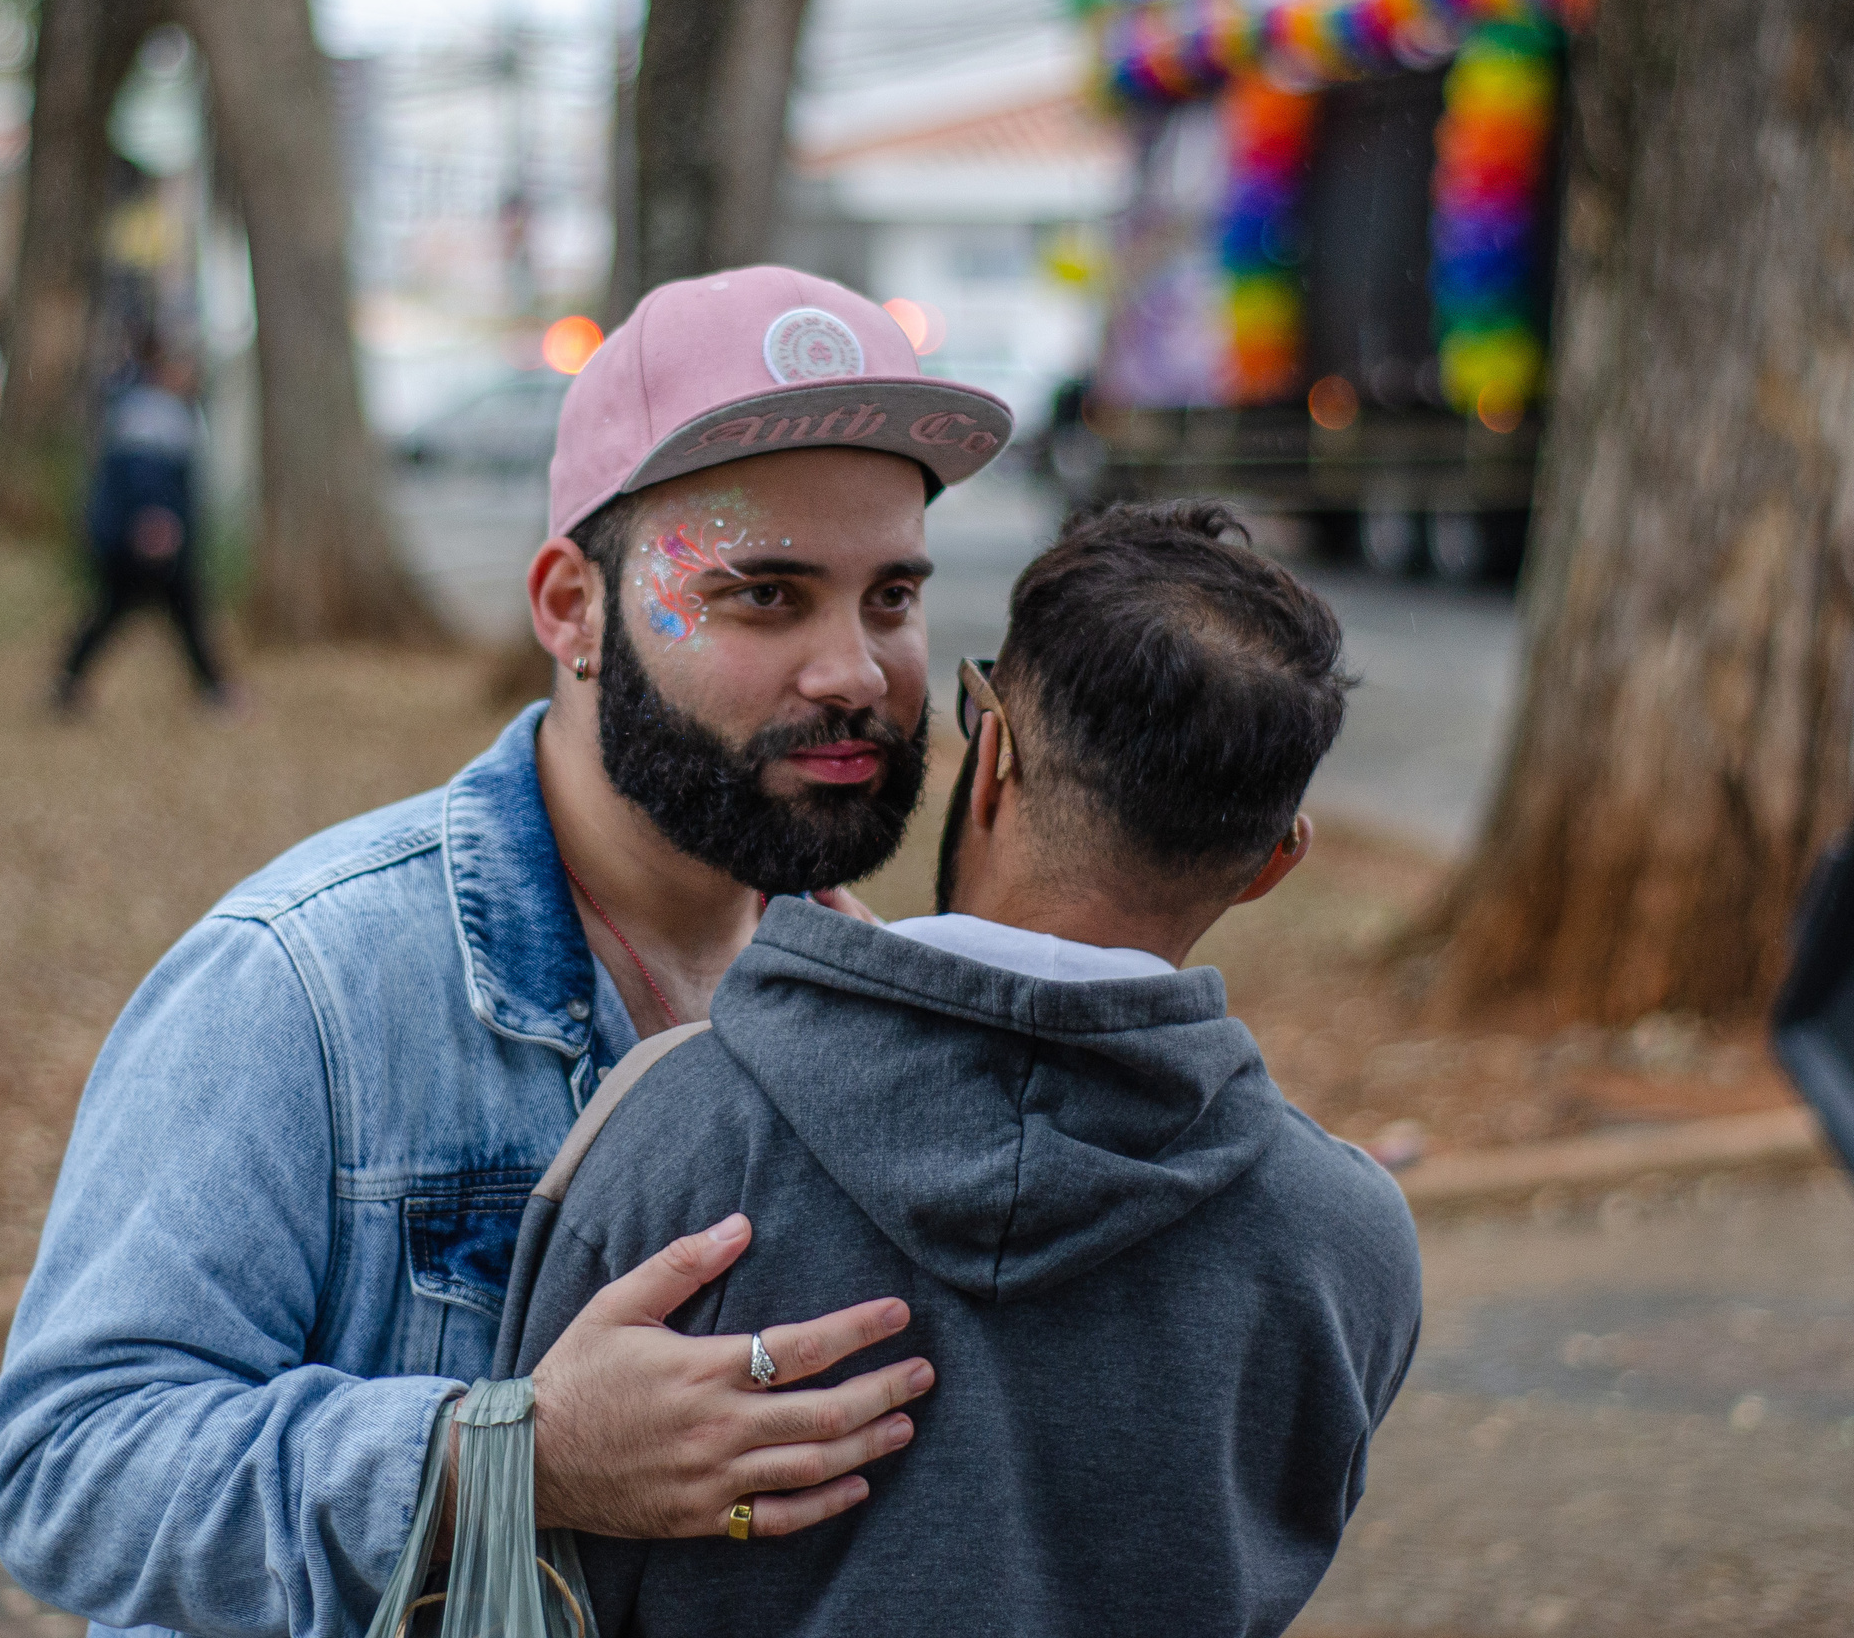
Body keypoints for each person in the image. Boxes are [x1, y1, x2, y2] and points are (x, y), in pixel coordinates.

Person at [0, 266, 1018, 1636]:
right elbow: (69, 1470)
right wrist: (508, 1459)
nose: (853, 670)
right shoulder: (306, 987)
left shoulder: (888, 1022)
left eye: (889, 597)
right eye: (766, 597)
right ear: (570, 609)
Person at [493, 500, 1423, 1637]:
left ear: (988, 752)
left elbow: (536, 1566)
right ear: (1273, 864)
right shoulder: (1345, 1242)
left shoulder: (675, 1135)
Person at [55, 338, 234, 713]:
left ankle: (69, 682)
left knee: (137, 611)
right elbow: (144, 477)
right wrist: (155, 520)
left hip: (132, 537)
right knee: (172, 610)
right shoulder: (154, 416)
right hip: (146, 539)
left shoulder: (142, 410)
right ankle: (214, 690)